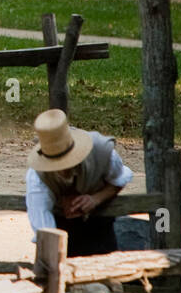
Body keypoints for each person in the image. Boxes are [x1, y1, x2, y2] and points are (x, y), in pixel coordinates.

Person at [25, 108, 134, 256]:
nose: (63, 169)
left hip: (100, 226)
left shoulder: (101, 151)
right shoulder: (37, 177)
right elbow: (45, 231)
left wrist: (95, 199)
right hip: (62, 230)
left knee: (107, 272)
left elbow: (119, 180)